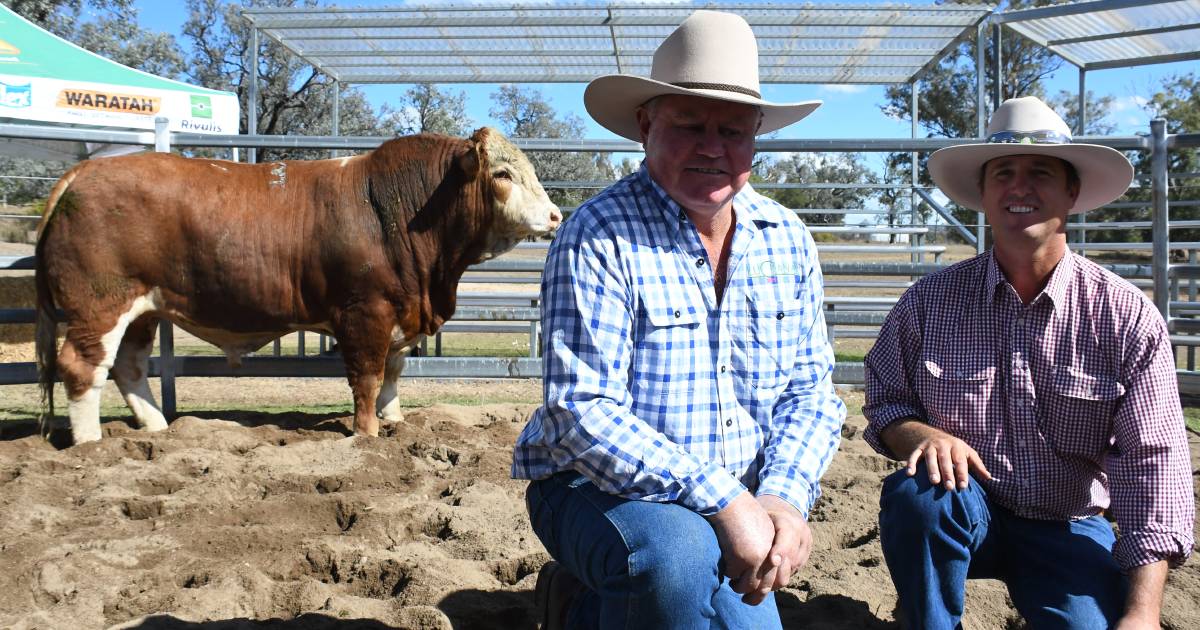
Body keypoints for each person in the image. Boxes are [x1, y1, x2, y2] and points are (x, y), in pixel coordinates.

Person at [511, 10, 846, 630]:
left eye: (734, 129)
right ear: (646, 125)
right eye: (689, 123)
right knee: (675, 559)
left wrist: (782, 499)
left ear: (756, 136)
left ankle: (587, 603)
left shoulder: (787, 238)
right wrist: (724, 500)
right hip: (597, 489)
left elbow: (811, 391)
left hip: (739, 504)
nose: (712, 147)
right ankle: (595, 596)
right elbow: (580, 410)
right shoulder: (599, 234)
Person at [863, 96, 1194, 629]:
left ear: (1072, 190)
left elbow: (1153, 466)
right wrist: (919, 434)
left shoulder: (1125, 316)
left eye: (1040, 171)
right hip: (963, 509)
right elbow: (886, 400)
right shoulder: (928, 302)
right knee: (918, 495)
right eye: (1004, 173)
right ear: (985, 193)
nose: (1020, 187)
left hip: (1068, 523)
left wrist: (1142, 612)